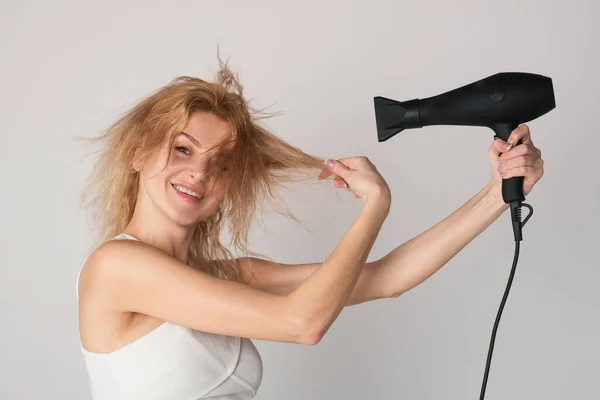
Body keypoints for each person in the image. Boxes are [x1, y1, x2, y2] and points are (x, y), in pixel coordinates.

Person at [76, 56, 544, 400]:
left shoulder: (230, 276)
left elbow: (385, 278)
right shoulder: (117, 266)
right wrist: (375, 206)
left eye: (220, 164)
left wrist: (495, 194)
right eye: (183, 149)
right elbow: (302, 322)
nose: (199, 172)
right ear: (138, 153)